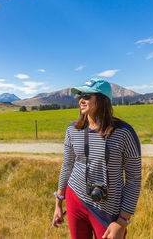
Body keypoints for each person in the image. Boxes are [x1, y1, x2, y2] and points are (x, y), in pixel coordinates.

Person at [52, 78, 142, 239]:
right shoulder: (73, 130)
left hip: (108, 210)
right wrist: (58, 203)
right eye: (79, 95)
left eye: (87, 95)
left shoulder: (124, 133)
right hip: (75, 199)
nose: (81, 99)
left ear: (102, 100)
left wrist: (122, 221)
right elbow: (67, 165)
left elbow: (134, 179)